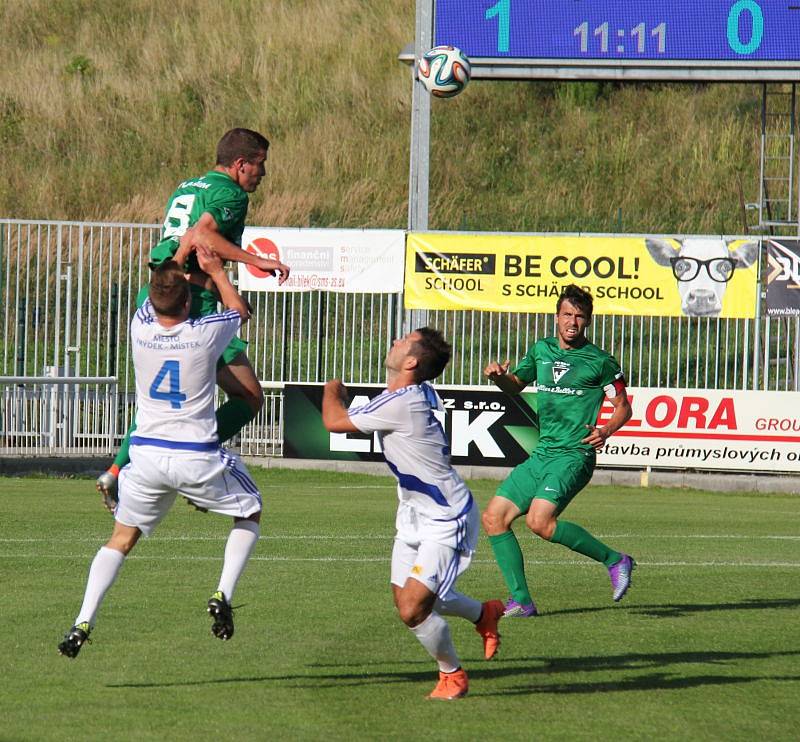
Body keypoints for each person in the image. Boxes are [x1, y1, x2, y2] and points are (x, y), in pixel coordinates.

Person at [59, 247, 263, 658]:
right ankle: (222, 593)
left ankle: (84, 619)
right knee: (251, 510)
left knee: (121, 539)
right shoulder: (204, 334)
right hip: (196, 455)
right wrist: (216, 271)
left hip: (147, 457)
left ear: (151, 302)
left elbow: (154, 296)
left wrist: (178, 256)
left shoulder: (138, 326)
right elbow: (240, 310)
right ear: (188, 302)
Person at [96, 127, 290, 506]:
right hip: (191, 305)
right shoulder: (231, 192)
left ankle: (117, 471)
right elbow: (203, 236)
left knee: (159, 403)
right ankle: (196, 458)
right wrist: (257, 260)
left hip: (158, 292)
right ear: (240, 164)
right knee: (249, 396)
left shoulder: (189, 185)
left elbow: (183, 244)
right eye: (260, 165)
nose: (262, 175)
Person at [322, 328, 504, 701]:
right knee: (412, 600)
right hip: (412, 514)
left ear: (411, 362)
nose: (394, 340)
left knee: (412, 609)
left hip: (445, 518)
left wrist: (331, 390)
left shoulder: (401, 403)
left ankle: (451, 675)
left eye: (403, 340)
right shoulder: (402, 395)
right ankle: (483, 613)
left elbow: (333, 421)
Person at [482, 284, 634, 617]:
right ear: (556, 317)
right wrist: (499, 378)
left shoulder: (601, 362)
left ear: (588, 321)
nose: (572, 323)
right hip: (543, 454)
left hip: (574, 455)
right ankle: (521, 600)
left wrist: (606, 429)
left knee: (540, 522)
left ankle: (615, 560)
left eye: (580, 317)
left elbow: (623, 406)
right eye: (567, 314)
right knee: (494, 518)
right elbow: (515, 386)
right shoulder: (541, 351)